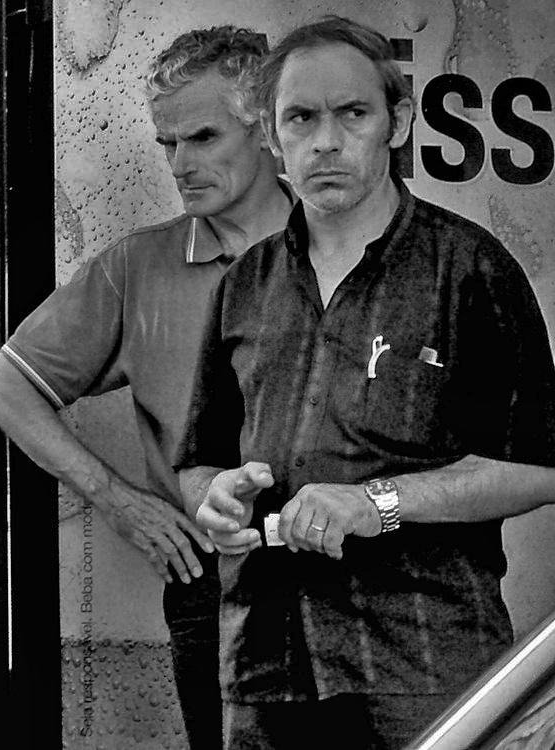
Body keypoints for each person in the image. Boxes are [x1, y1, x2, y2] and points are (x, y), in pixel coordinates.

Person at [175, 15, 555, 750]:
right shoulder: (246, 285)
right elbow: (200, 462)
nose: (326, 140)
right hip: (265, 668)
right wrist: (215, 501)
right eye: (301, 118)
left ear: (398, 122)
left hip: (421, 671)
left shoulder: (469, 271)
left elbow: (537, 468)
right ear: (272, 138)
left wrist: (374, 504)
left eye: (352, 114)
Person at [0, 26, 293, 747]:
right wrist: (119, 501)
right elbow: (4, 386)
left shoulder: (343, 247)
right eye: (168, 144)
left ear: (267, 127)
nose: (181, 164)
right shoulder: (139, 268)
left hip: (353, 561)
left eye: (204, 137)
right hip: (216, 580)